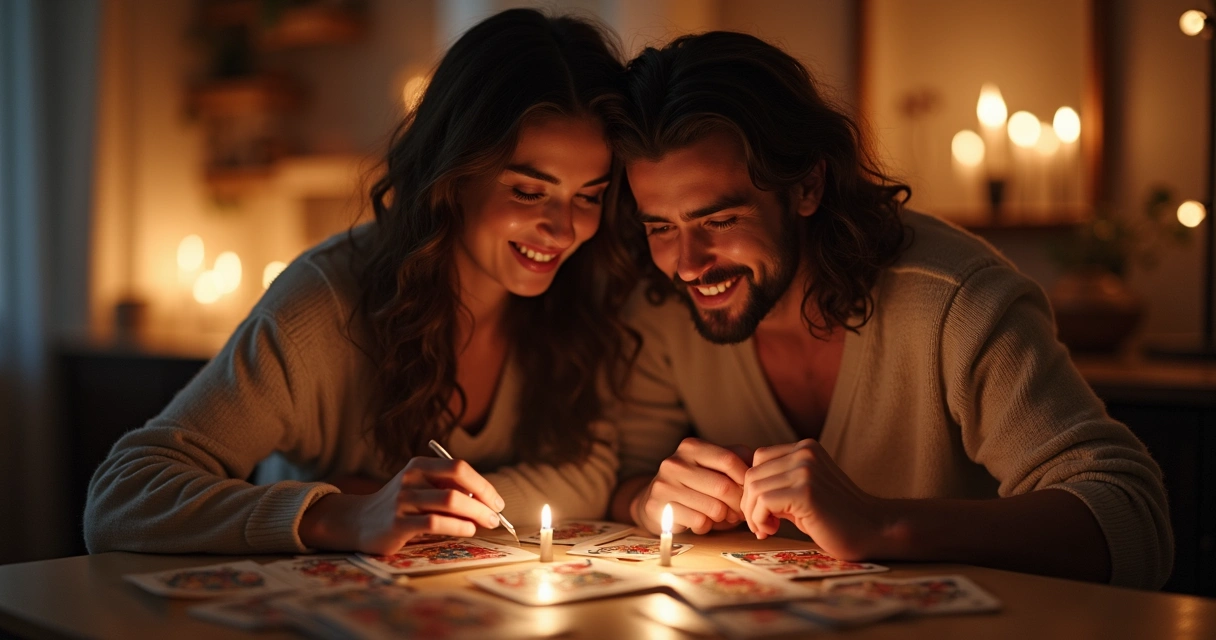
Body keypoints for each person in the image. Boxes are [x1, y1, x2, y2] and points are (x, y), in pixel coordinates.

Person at [605, 31, 1172, 589]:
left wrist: (882, 523)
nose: (685, 264)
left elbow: (1132, 519)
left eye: (719, 221)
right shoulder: (663, 309)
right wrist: (652, 499)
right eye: (660, 226)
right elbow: (621, 478)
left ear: (806, 187)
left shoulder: (955, 300)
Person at [84, 9, 638, 556]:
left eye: (588, 196)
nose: (565, 229)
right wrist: (341, 513)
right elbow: (121, 499)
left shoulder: (579, 290)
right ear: (453, 174)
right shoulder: (326, 301)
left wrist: (412, 503)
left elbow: (589, 473)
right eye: (527, 191)